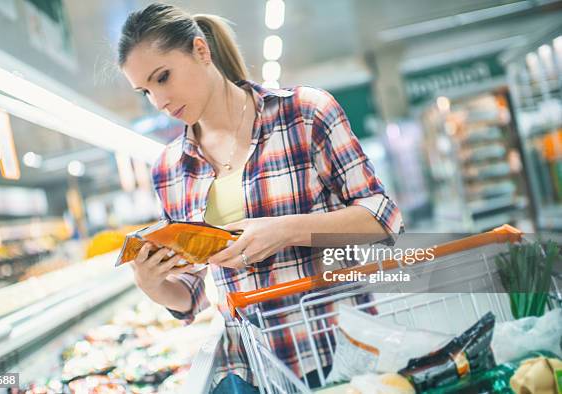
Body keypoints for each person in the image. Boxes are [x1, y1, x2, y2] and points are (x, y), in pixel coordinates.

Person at [117, 3, 403, 393]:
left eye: (163, 77)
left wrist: (285, 231)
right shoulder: (170, 168)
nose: (159, 101)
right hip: (257, 368)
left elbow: (383, 219)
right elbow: (194, 290)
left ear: (201, 51)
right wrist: (153, 284)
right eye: (145, 91)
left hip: (341, 352)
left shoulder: (304, 114)